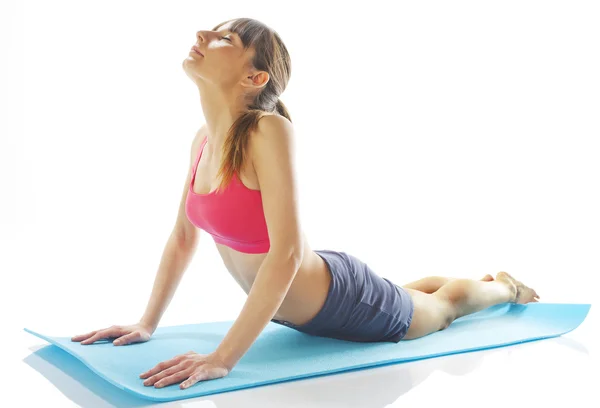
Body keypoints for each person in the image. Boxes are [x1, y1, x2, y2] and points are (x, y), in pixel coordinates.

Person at [71, 18, 540, 390]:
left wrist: (223, 358)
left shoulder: (267, 130)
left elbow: (288, 253)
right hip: (310, 297)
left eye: (223, 38)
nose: (201, 35)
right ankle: (442, 284)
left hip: (342, 299)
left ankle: (504, 288)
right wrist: (146, 323)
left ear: (255, 76)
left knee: (443, 310)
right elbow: (181, 238)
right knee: (408, 295)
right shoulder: (201, 141)